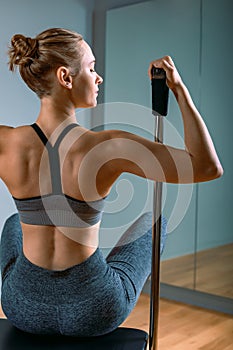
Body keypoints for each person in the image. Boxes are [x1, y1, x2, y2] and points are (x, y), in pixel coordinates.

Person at [0, 28, 223, 336]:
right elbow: (207, 167)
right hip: (94, 308)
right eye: (91, 68)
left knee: (14, 222)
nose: (98, 77)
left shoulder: (5, 142)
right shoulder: (107, 147)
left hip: (22, 308)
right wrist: (178, 89)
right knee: (154, 222)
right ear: (66, 77)